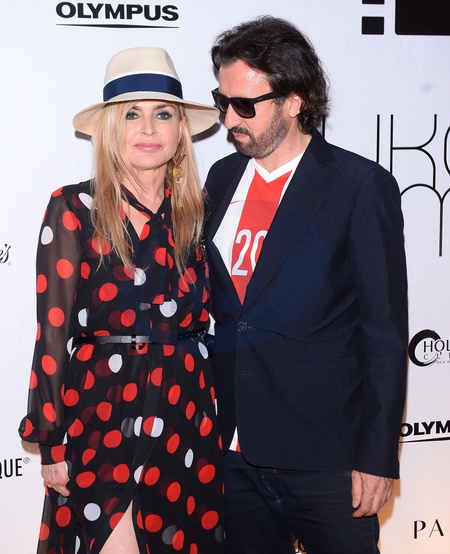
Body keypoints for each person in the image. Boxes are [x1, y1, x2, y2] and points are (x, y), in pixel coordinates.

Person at [204, 16, 408, 554]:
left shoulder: (358, 185)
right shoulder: (221, 179)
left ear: (294, 101)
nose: (229, 119)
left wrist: (377, 454)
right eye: (223, 101)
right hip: (233, 451)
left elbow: (384, 332)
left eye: (245, 105)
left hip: (327, 456)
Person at [19, 47, 225, 554]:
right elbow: (52, 333)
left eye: (163, 114)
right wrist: (51, 439)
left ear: (181, 129)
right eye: (132, 114)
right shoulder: (74, 208)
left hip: (187, 414)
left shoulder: (199, 214)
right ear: (111, 128)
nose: (148, 129)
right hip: (103, 414)